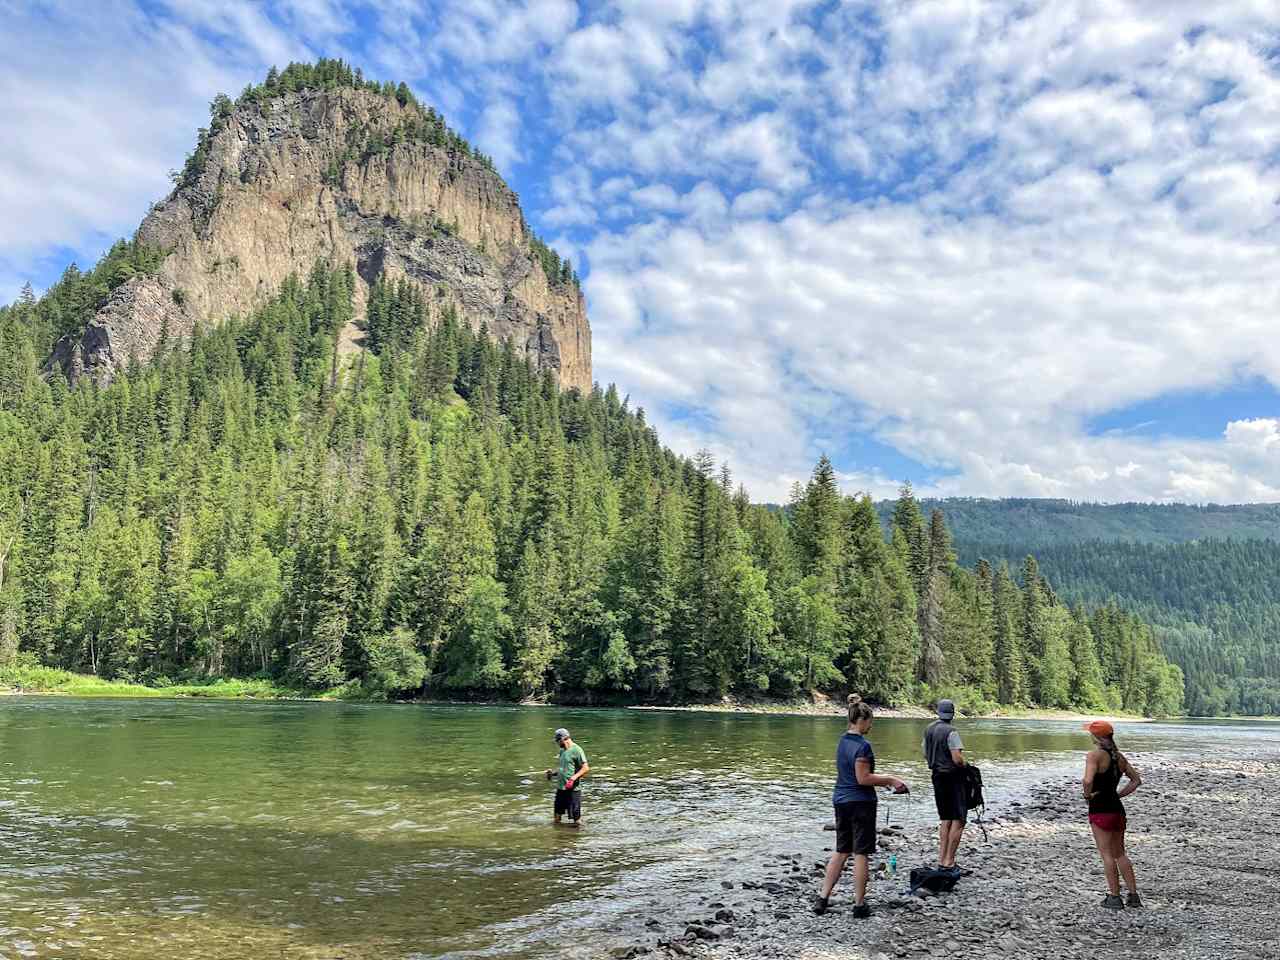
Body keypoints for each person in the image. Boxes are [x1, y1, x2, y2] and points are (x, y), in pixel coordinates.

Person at [814, 695, 908, 918]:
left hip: (841, 800)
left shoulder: (842, 741)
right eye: (870, 721)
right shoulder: (863, 746)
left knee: (841, 850)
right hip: (860, 804)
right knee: (861, 854)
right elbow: (863, 779)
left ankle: (822, 898)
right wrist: (891, 780)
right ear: (862, 720)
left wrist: (879, 781)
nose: (871, 725)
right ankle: (859, 905)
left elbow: (853, 775)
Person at [1082, 720, 1142, 909]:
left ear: (1095, 737)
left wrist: (1087, 794)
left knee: (1106, 854)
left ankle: (1114, 897)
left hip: (1100, 808)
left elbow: (1087, 780)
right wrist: (1118, 794)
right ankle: (1133, 896)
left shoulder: (1094, 755)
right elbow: (1136, 781)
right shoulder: (1119, 757)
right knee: (1120, 853)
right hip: (1117, 809)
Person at [922, 699, 967, 872]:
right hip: (953, 778)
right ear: (952, 714)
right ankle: (949, 861)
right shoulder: (952, 732)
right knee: (959, 819)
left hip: (937, 777)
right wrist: (966, 764)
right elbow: (957, 758)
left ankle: (941, 859)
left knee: (945, 818)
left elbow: (925, 754)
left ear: (938, 712)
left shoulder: (929, 729)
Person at [545, 727, 589, 827]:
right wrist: (552, 773)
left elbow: (585, 768)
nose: (557, 743)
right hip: (561, 788)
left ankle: (575, 838)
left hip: (573, 789)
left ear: (563, 739)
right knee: (556, 817)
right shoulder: (562, 751)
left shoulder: (577, 750)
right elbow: (563, 769)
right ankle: (559, 837)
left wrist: (573, 778)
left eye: (557, 740)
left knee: (576, 819)